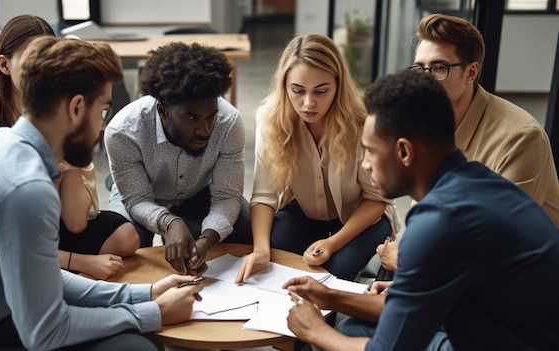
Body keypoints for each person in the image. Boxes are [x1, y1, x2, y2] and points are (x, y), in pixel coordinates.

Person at [0, 36, 203, 350]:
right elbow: (45, 332)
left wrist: (145, 294)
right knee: (135, 347)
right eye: (103, 112)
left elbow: (45, 276)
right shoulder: (27, 189)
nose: (103, 128)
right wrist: (153, 313)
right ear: (76, 108)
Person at [284, 70, 559, 350]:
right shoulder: (479, 183)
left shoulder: (440, 220)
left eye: (370, 150)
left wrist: (315, 330)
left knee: (337, 339)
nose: (365, 164)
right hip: (511, 332)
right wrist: (330, 297)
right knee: (355, 327)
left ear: (404, 152)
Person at [0, 14, 140, 280]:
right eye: (31, 61)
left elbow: (75, 222)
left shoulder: (60, 122)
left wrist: (73, 148)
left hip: (41, 228)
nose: (43, 69)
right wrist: (80, 262)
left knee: (126, 236)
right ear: (4, 65)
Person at [376, 13, 559, 272]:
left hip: (512, 282)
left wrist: (409, 261)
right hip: (451, 264)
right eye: (419, 68)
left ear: (471, 72)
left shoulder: (521, 138)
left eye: (439, 68)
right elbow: (428, 215)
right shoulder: (426, 124)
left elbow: (498, 247)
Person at [235, 34, 399, 283]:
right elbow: (264, 196)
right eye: (297, 91)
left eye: (321, 91)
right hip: (303, 213)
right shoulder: (270, 119)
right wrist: (260, 250)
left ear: (338, 85)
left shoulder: (364, 121)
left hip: (364, 218)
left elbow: (377, 199)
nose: (309, 103)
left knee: (333, 274)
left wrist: (333, 243)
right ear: (284, 86)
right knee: (273, 263)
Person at [105, 42, 252, 276]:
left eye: (210, 117)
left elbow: (227, 195)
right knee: (119, 240)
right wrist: (168, 222)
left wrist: (206, 239)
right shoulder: (122, 131)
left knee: (245, 227)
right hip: (144, 193)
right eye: (192, 117)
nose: (204, 130)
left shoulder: (229, 122)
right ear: (163, 110)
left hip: (198, 191)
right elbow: (136, 198)